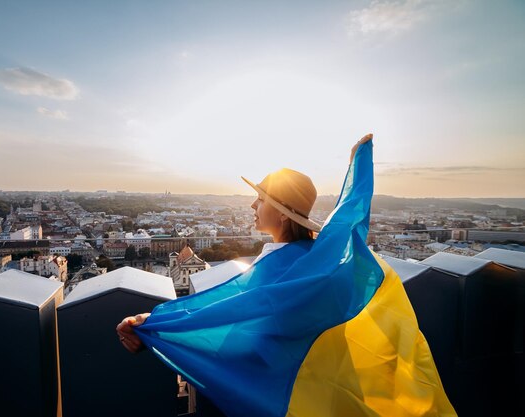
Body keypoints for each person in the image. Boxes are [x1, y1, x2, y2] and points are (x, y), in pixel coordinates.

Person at [116, 134, 456, 417]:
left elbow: (230, 314)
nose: (252, 206)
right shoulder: (320, 263)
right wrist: (359, 163)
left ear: (279, 214)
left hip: (283, 396)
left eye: (259, 200)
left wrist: (155, 325)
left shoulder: (280, 266)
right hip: (326, 393)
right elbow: (351, 216)